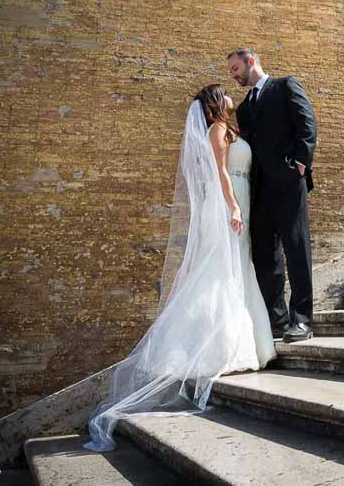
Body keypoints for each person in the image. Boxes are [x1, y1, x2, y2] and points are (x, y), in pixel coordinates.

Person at [83, 85, 275, 452]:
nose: (230, 95)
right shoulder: (218, 129)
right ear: (216, 104)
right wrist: (233, 206)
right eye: (224, 92)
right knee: (222, 271)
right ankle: (217, 347)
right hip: (226, 203)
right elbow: (219, 170)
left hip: (236, 198)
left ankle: (241, 343)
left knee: (235, 269)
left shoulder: (226, 127)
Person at [228, 48, 317, 343]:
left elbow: (307, 125)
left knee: (297, 249)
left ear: (251, 61)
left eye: (236, 68)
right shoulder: (243, 108)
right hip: (259, 190)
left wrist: (300, 168)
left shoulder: (285, 86)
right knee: (266, 257)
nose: (234, 74)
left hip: (290, 184)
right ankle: (277, 320)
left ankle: (302, 320)